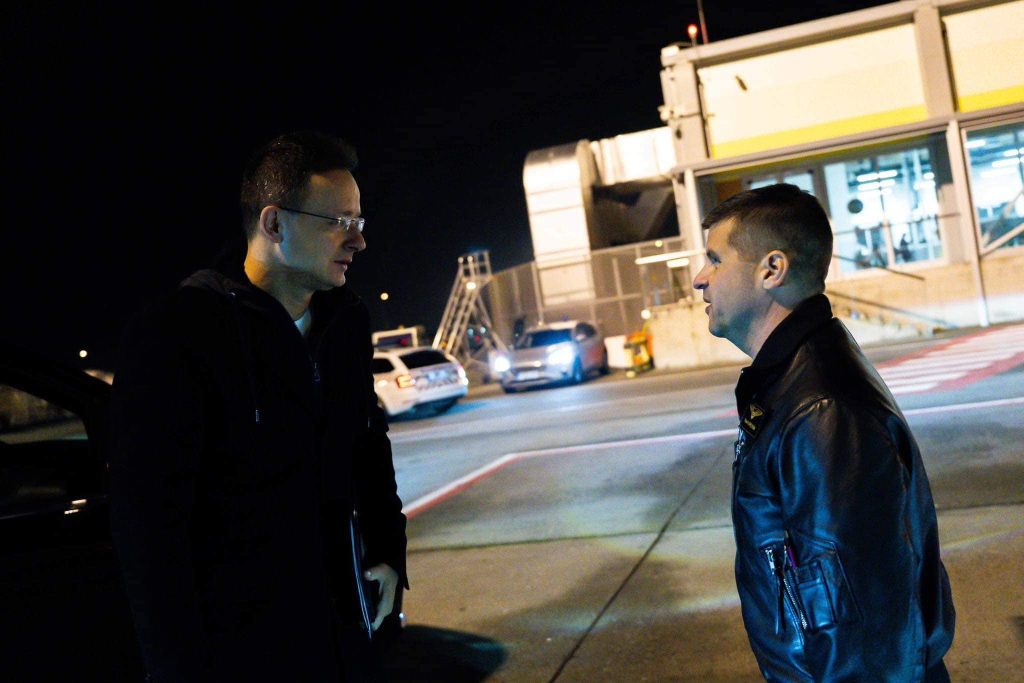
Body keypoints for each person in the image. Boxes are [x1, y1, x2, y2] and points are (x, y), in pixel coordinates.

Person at [108, 131, 408, 682]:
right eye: (340, 222)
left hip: (343, 632)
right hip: (245, 654)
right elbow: (150, 531)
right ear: (274, 225)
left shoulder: (345, 322)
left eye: (359, 220)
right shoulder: (177, 334)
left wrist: (389, 551)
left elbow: (368, 444)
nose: (359, 240)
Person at [691, 183, 954, 681]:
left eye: (715, 260)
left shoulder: (821, 408)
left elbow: (864, 625)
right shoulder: (794, 378)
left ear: (772, 269)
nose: (699, 279)